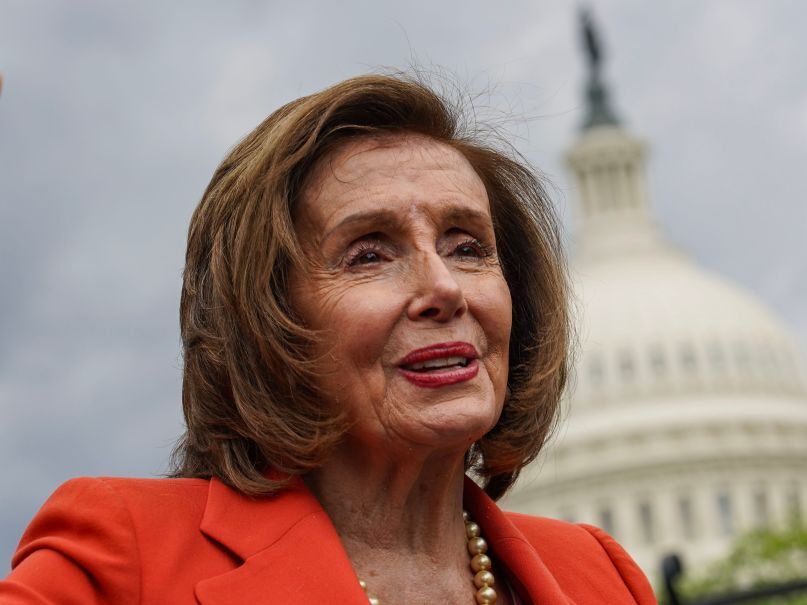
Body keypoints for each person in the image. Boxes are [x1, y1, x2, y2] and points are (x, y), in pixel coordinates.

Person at [0, 73, 656, 604]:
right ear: (268, 320)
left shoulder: (600, 575)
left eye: (466, 247)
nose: (443, 288)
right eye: (368, 254)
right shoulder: (123, 557)